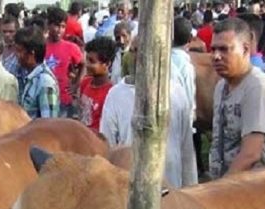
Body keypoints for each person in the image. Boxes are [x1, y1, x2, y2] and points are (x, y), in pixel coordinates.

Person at [100, 52, 197, 187]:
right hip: (129, 186)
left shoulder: (176, 91)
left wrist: (190, 187)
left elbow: (186, 148)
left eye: (146, 48)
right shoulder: (116, 95)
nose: (142, 55)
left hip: (172, 185)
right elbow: (107, 145)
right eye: (135, 50)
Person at [209, 18, 265, 179]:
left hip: (254, 188)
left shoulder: (258, 87)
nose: (216, 56)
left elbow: (251, 154)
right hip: (227, 185)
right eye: (213, 49)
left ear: (245, 49)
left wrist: (220, 187)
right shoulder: (221, 86)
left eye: (224, 49)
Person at [45, 7, 84, 118]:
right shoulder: (41, 46)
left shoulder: (71, 47)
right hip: (45, 99)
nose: (60, 30)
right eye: (57, 26)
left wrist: (76, 84)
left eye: (63, 27)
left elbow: (83, 64)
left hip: (64, 100)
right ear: (49, 25)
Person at [15, 27, 60, 118]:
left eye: (20, 51)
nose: (17, 55)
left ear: (32, 53)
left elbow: (48, 122)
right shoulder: (28, 75)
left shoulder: (45, 82)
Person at [79, 37, 115, 131]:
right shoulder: (85, 83)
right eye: (87, 59)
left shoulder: (111, 93)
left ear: (107, 64)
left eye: (92, 61)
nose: (87, 64)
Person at [172, 17, 197, 126]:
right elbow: (188, 98)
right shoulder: (186, 67)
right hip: (179, 119)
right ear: (190, 38)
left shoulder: (162, 59)